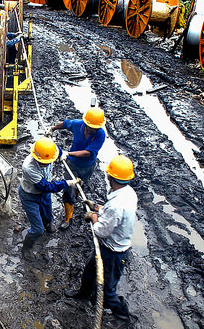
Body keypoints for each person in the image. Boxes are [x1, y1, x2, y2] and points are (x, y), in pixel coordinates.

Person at [65, 155, 137, 328]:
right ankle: (83, 294)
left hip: (114, 252)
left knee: (108, 290)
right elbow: (113, 215)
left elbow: (101, 231)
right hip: (109, 247)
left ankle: (122, 317)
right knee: (90, 271)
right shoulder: (128, 193)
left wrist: (93, 217)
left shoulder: (117, 204)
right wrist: (97, 207)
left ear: (110, 177)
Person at [18, 136, 81, 262]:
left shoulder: (47, 152)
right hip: (30, 196)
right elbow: (46, 187)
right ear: (36, 157)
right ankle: (26, 247)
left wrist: (61, 154)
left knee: (48, 213)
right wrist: (66, 183)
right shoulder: (29, 168)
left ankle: (48, 223)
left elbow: (55, 149)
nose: (47, 163)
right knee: (37, 229)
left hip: (43, 194)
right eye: (45, 162)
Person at [49, 107, 106, 229]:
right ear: (85, 123)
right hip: (73, 164)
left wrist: (67, 153)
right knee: (68, 188)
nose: (92, 130)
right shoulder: (77, 125)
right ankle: (68, 217)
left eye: (95, 128)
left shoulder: (100, 134)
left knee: (79, 186)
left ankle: (74, 198)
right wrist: (53, 128)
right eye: (91, 127)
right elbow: (65, 124)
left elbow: (88, 152)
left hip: (87, 165)